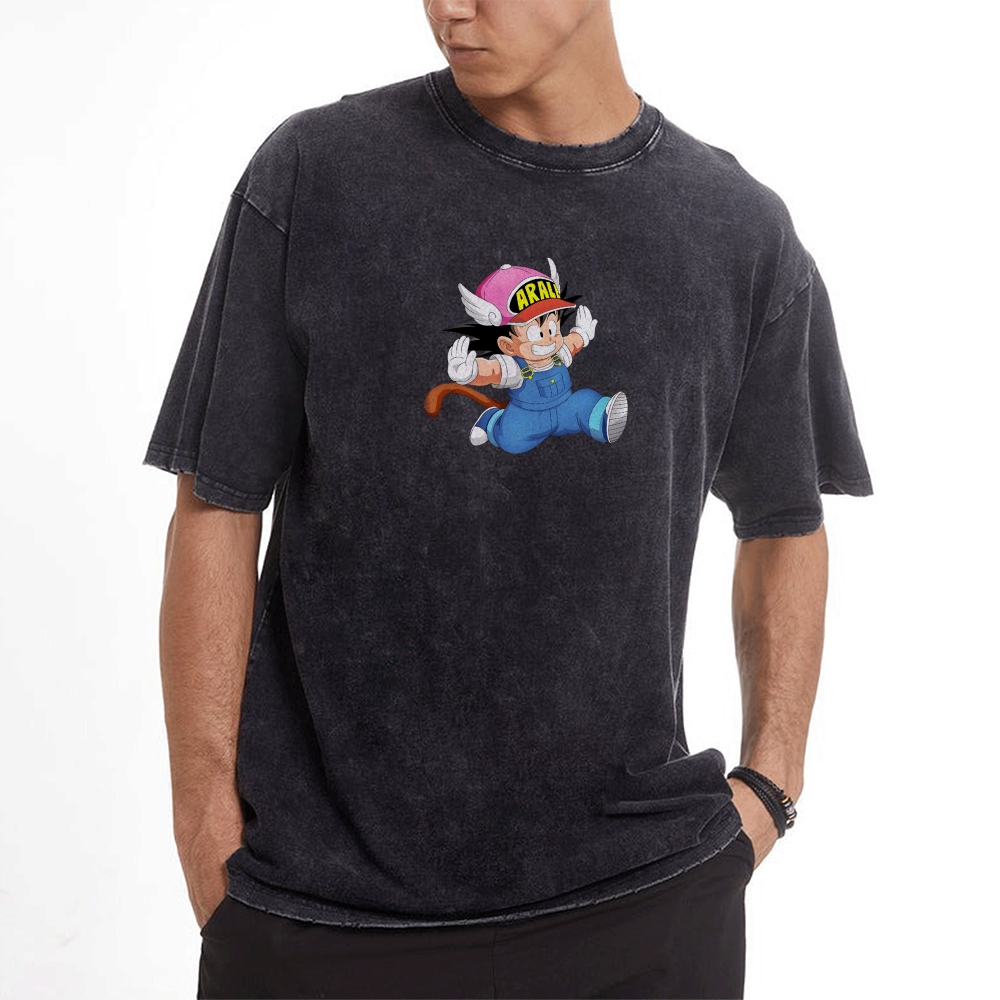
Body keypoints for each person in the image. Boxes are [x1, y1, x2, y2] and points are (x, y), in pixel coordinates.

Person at [143, 1, 873, 997]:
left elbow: (786, 520)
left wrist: (771, 784)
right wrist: (204, 830)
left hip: (644, 908)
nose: (451, 7)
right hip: (320, 917)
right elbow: (217, 500)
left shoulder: (736, 230)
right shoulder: (319, 175)